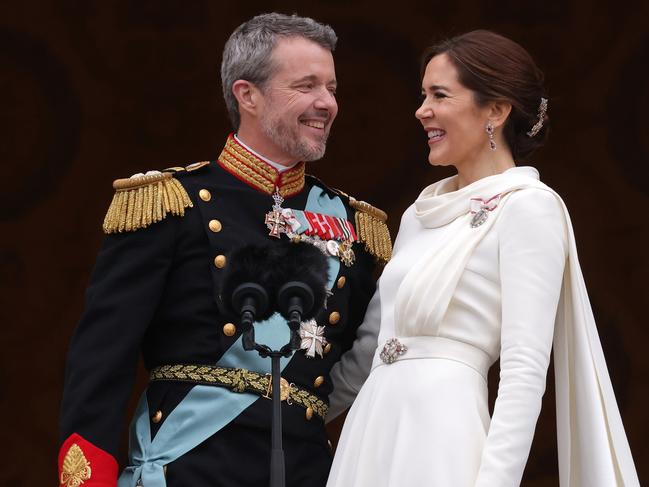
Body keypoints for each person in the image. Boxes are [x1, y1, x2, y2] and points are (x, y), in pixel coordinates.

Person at [57, 13, 392, 487]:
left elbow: (367, 368)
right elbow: (100, 362)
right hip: (185, 468)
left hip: (304, 472)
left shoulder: (357, 227)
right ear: (247, 94)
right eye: (307, 86)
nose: (327, 104)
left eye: (332, 88)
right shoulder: (172, 204)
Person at [325, 30, 639, 486]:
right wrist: (284, 416)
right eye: (422, 95)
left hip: (442, 433)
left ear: (496, 109)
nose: (421, 110)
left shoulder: (528, 207)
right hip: (370, 431)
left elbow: (524, 372)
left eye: (440, 95)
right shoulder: (418, 214)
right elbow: (368, 351)